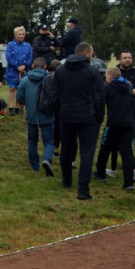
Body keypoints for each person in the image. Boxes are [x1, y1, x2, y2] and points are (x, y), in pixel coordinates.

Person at [55, 42, 105, 200]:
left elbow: (55, 93)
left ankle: (66, 181)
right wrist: (99, 116)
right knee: (87, 153)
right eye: (92, 52)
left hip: (66, 115)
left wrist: (59, 112)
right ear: (86, 53)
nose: (93, 55)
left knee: (66, 149)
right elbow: (99, 96)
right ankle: (83, 189)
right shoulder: (92, 71)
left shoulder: (61, 70)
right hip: (87, 116)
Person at [94, 67, 135, 187]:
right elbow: (132, 103)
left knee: (105, 148)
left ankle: (101, 172)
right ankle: (128, 183)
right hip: (129, 123)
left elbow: (100, 104)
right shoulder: (128, 87)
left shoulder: (107, 88)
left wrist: (99, 117)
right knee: (126, 151)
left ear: (109, 77)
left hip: (113, 123)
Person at [16, 58, 56, 174]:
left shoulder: (25, 80)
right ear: (45, 67)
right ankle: (46, 159)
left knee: (32, 141)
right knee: (48, 141)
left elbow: (20, 96)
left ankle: (34, 166)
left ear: (33, 66)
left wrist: (26, 103)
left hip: (32, 114)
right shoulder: (51, 79)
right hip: (47, 113)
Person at [5, 26, 33, 115]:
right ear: (15, 35)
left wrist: (25, 66)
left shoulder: (28, 45)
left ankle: (18, 107)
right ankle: (10, 107)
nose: (21, 36)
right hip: (13, 70)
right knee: (12, 88)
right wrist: (17, 66)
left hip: (24, 71)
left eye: (23, 34)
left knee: (21, 89)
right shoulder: (10, 44)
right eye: (19, 34)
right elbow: (8, 57)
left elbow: (30, 57)